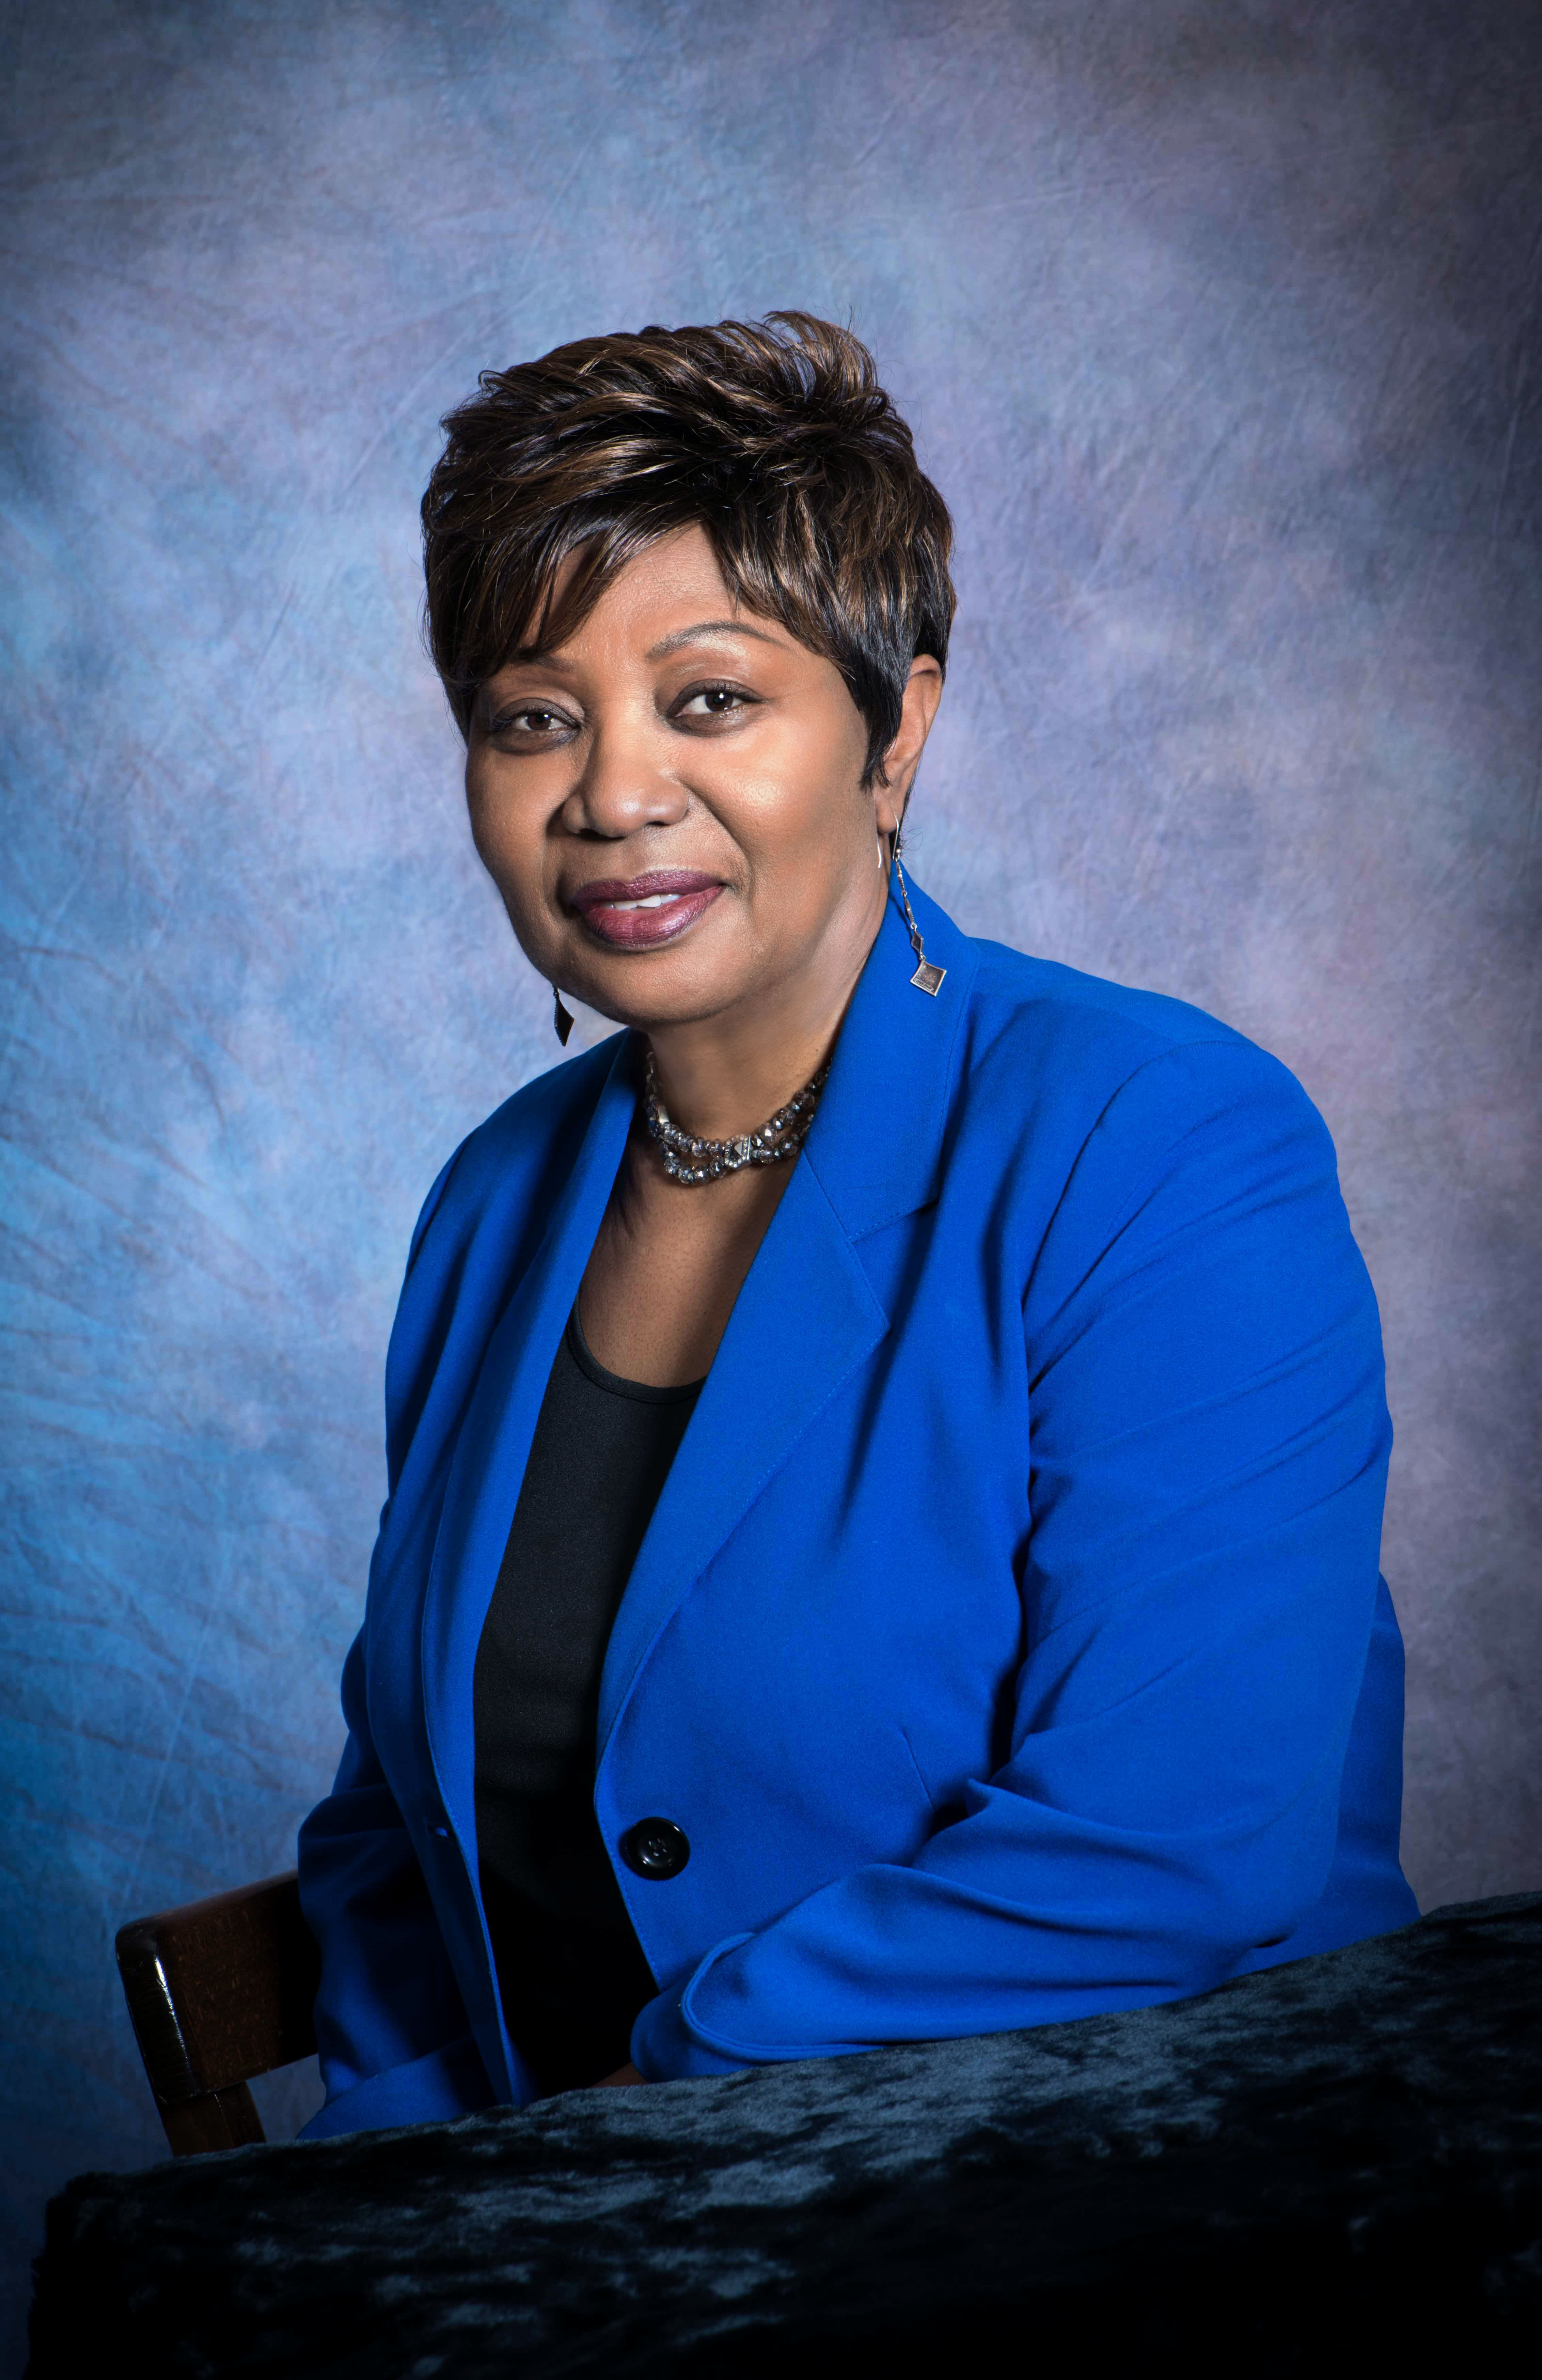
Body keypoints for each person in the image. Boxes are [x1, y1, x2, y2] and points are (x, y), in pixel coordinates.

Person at [296, 312, 1416, 2137]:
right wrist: (399, 2184)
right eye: (533, 719)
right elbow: (389, 1836)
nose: (615, 796)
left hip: (1131, 2207)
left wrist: (643, 2108)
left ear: (898, 731)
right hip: (566, 2244)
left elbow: (1174, 1845)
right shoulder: (493, 1203)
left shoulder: (1157, 1141)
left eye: (710, 699)